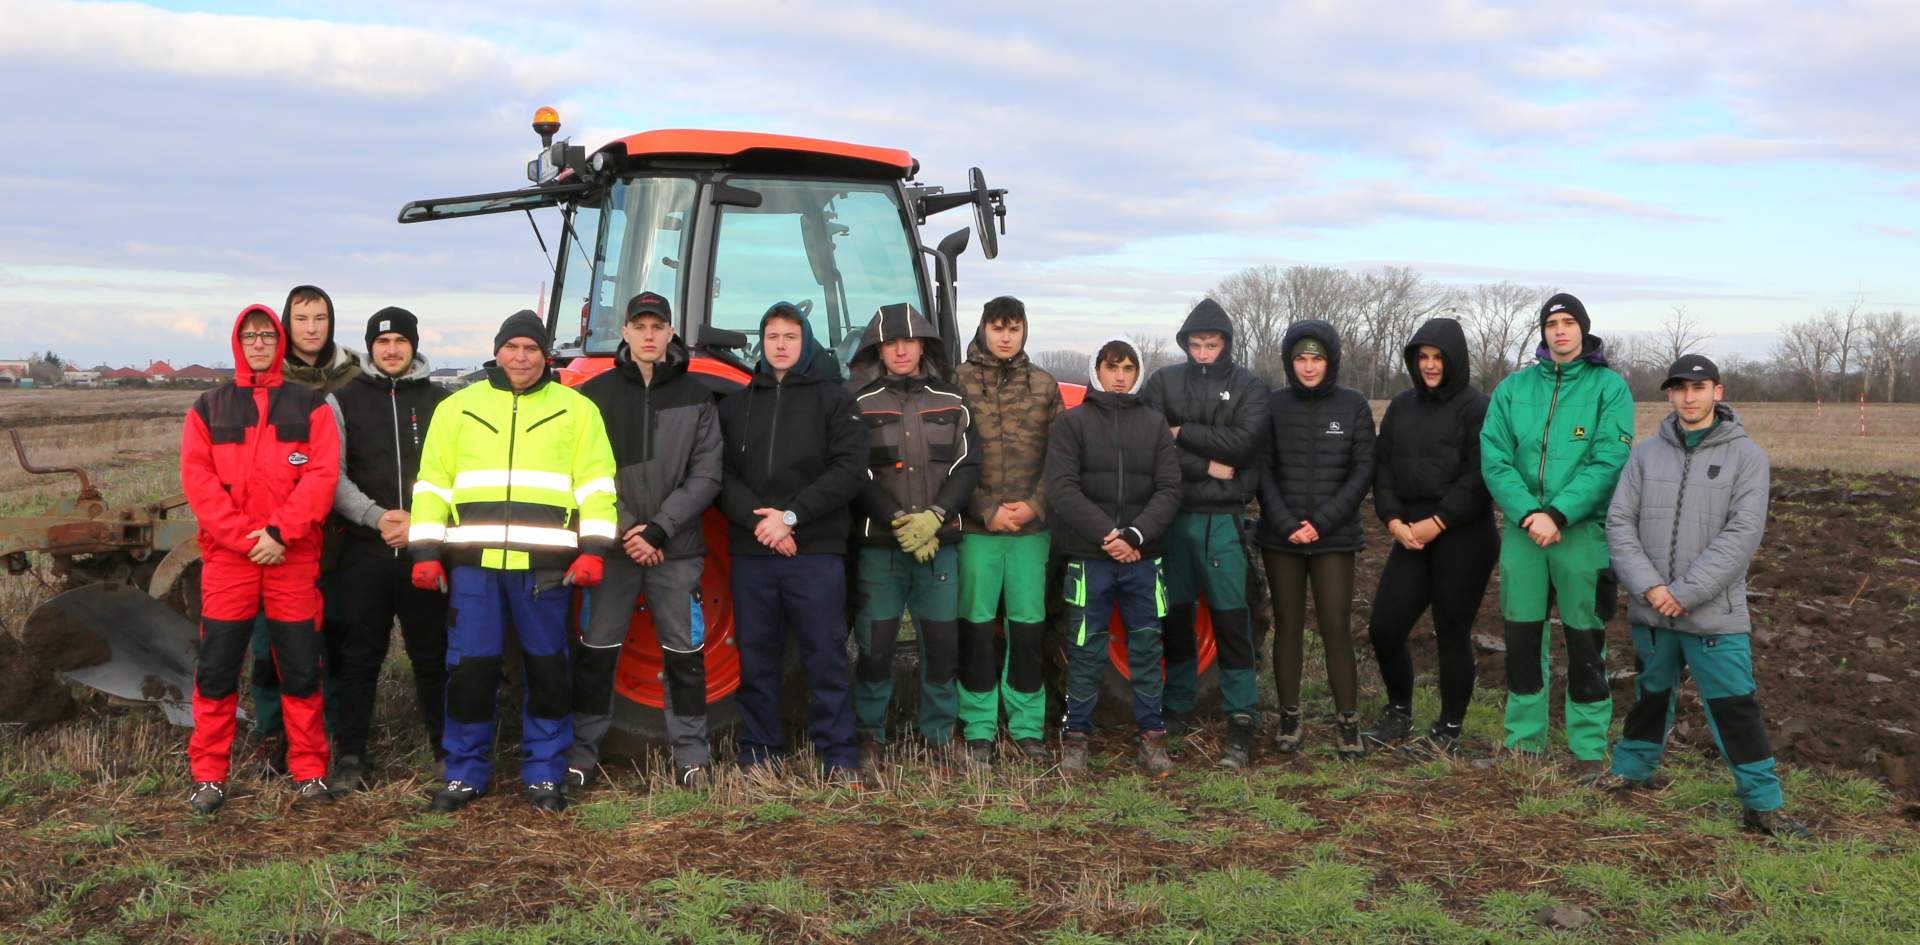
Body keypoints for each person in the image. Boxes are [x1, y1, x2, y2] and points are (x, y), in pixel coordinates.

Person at [408, 310, 619, 813]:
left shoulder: (577, 410)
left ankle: (544, 774)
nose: (521, 357)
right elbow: (432, 485)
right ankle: (464, 773)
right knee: (470, 671)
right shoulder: (458, 408)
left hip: (545, 569)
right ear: (496, 351)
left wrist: (594, 549)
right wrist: (426, 551)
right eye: (512, 347)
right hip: (473, 566)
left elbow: (597, 486)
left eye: (531, 348)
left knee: (546, 670)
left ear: (545, 355)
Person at [1597, 355, 1808, 839]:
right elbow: (1619, 522)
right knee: (1651, 694)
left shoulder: (1747, 457)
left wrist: (1685, 593)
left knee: (1735, 705)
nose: (1689, 397)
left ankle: (1763, 805)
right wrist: (1651, 588)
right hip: (1653, 608)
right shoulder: (1645, 455)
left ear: (1718, 391)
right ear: (1670, 394)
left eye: (1699, 387)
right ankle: (1631, 771)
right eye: (1679, 388)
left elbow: (1742, 534)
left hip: (1714, 613)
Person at [179, 304, 340, 814]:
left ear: (279, 341)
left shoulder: (309, 405)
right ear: (237, 342)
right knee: (217, 670)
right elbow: (198, 481)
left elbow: (321, 476)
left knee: (301, 670)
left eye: (267, 335)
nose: (258, 343)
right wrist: (244, 538)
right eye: (249, 336)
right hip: (231, 561)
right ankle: (208, 775)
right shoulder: (209, 408)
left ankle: (309, 770)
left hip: (291, 558)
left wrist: (279, 533)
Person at [573, 292, 723, 793]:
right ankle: (582, 755)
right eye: (640, 326)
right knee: (597, 652)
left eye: (658, 326)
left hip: (674, 549)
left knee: (685, 655)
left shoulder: (698, 396)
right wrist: (627, 530)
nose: (649, 335)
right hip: (614, 550)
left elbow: (706, 474)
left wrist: (658, 529)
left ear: (670, 332)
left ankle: (692, 758)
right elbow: (584, 473)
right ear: (625, 332)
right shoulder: (593, 395)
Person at [1480, 293, 1633, 775]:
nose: (1560, 331)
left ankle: (1588, 748)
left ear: (1583, 329)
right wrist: (1529, 513)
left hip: (1580, 532)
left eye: (1569, 322)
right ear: (1543, 332)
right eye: (1552, 324)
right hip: (1524, 532)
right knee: (1522, 637)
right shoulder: (1513, 389)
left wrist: (1559, 514)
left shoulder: (1609, 388)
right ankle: (1524, 741)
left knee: (1586, 640)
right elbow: (1494, 457)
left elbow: (1609, 459)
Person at [716, 302, 868, 783]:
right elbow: (721, 475)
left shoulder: (834, 401)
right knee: (756, 657)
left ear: (805, 343)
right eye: (773, 337)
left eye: (790, 337)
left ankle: (838, 756)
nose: (781, 346)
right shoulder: (735, 405)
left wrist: (791, 517)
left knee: (825, 655)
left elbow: (849, 470)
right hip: (754, 551)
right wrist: (761, 524)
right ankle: (760, 753)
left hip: (815, 550)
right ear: (761, 343)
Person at [847, 303, 982, 763]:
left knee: (941, 646)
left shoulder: (954, 401)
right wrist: (897, 520)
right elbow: (855, 471)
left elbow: (968, 465)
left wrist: (935, 517)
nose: (900, 350)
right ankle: (870, 733)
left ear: (923, 346)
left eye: (908, 342)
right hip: (881, 549)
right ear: (878, 350)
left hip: (939, 548)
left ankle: (940, 735)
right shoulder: (859, 405)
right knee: (875, 646)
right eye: (891, 343)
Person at [322, 307, 450, 792]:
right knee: (359, 657)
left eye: (400, 340)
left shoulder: (442, 402)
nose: (391, 349)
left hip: (426, 550)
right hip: (365, 551)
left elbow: (456, 473)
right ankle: (352, 756)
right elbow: (332, 475)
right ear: (370, 347)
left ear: (414, 345)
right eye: (382, 341)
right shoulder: (343, 401)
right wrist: (377, 517)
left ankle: (446, 751)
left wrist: (421, 522)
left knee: (433, 655)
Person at [1138, 299, 1269, 767]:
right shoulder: (1163, 382)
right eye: (1195, 344)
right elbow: (1153, 443)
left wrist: (1183, 432)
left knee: (1231, 618)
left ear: (1226, 344)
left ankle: (1241, 714)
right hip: (1174, 516)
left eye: (1211, 345)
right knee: (1176, 615)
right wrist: (1208, 465)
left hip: (1223, 520)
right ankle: (1177, 704)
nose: (1203, 353)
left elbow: (1245, 443)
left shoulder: (1250, 386)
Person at [1044, 337, 1182, 777]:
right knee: (1085, 648)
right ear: (1097, 371)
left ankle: (1152, 739)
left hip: (1143, 557)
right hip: (1091, 557)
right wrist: (1107, 534)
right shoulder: (1072, 423)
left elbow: (1169, 487)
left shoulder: (1154, 424)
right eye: (1111, 367)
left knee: (1147, 647)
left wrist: (1136, 534)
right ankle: (1076, 740)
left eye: (1127, 368)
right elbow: (1062, 487)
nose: (1119, 376)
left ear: (1137, 373)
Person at [1362, 317, 1497, 755]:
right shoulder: (1402, 406)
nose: (1431, 365)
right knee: (1385, 627)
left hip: (1463, 534)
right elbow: (1383, 465)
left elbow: (1481, 475)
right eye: (1423, 357)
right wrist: (1392, 519)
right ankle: (1399, 711)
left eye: (1439, 357)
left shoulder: (1478, 408)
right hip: (1409, 532)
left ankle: (1449, 729)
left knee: (1451, 632)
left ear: (1455, 360)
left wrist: (1439, 521)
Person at [247, 284, 364, 772]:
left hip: (341, 531)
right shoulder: (267, 380)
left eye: (320, 318)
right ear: (285, 324)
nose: (311, 328)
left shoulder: (355, 379)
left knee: (334, 635)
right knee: (271, 641)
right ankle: (272, 730)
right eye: (301, 319)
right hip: (280, 536)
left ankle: (329, 728)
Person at [1255, 320, 1375, 760]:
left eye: (1316, 359)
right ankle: (1290, 717)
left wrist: (1321, 522)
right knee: (1287, 625)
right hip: (1282, 537)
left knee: (1334, 626)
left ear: (1331, 361)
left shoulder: (1353, 405)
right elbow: (1262, 468)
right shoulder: (1273, 405)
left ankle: (1348, 721)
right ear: (1290, 362)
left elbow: (1363, 470)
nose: (1308, 367)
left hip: (1333, 538)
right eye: (1301, 359)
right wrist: (1285, 521)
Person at [953, 297, 1064, 763]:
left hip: (1029, 533)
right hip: (978, 531)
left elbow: (1060, 456)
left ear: (1024, 332)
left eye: (1014, 329)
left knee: (1027, 630)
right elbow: (950, 455)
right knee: (976, 630)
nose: (1005, 337)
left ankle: (1026, 725)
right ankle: (978, 725)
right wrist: (985, 509)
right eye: (998, 328)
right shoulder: (958, 382)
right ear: (983, 329)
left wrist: (1035, 506)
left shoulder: (1044, 385)